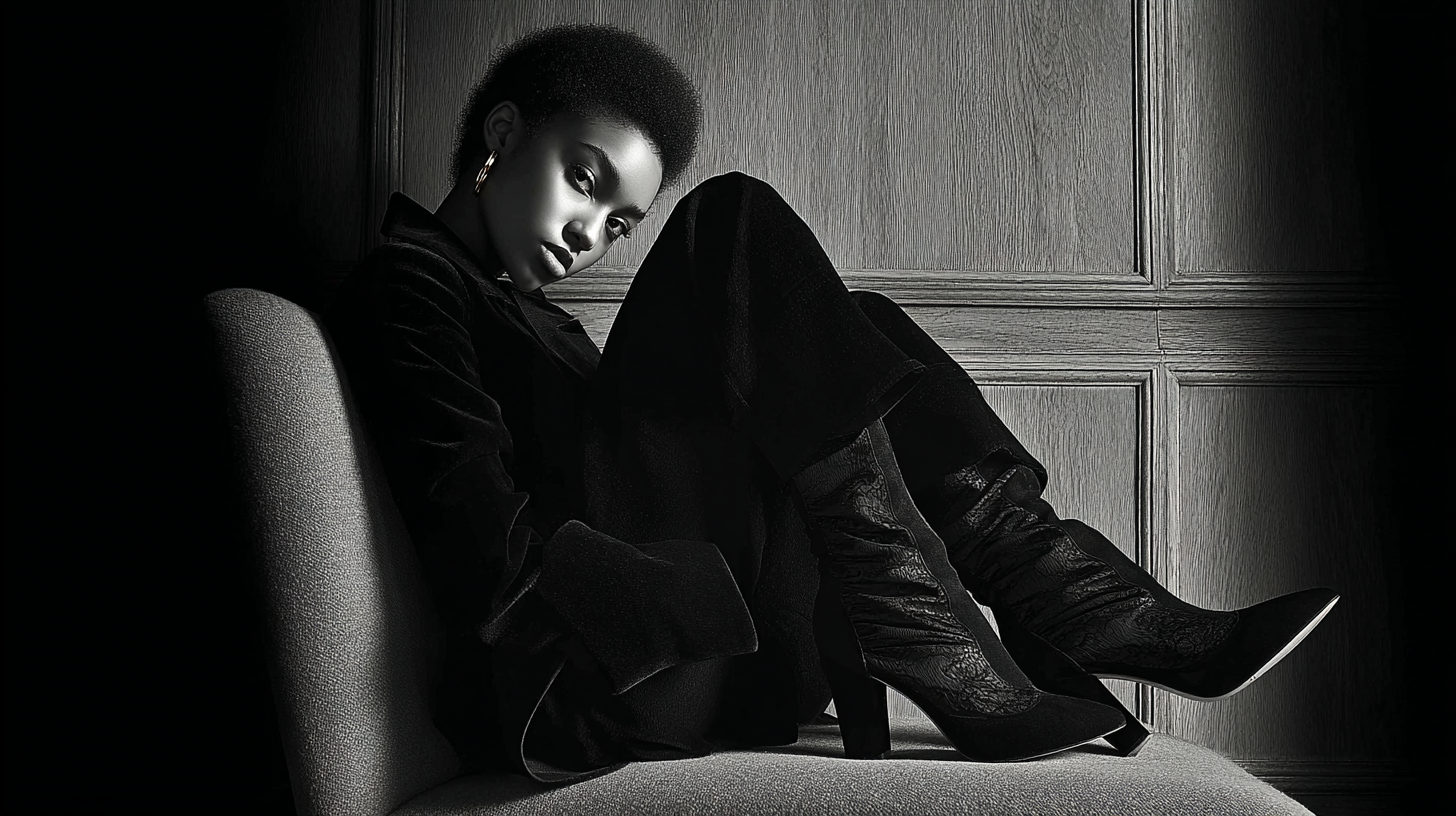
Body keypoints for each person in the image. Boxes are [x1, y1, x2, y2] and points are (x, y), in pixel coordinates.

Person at [325, 23, 1338, 783]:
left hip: (733, 655)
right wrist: (673, 600)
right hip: (593, 682)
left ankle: (1049, 593)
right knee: (727, 220)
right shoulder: (414, 284)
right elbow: (482, 539)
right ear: (503, 133)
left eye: (619, 223)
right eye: (583, 181)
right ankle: (991, 614)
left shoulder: (536, 319)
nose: (590, 234)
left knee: (861, 321)